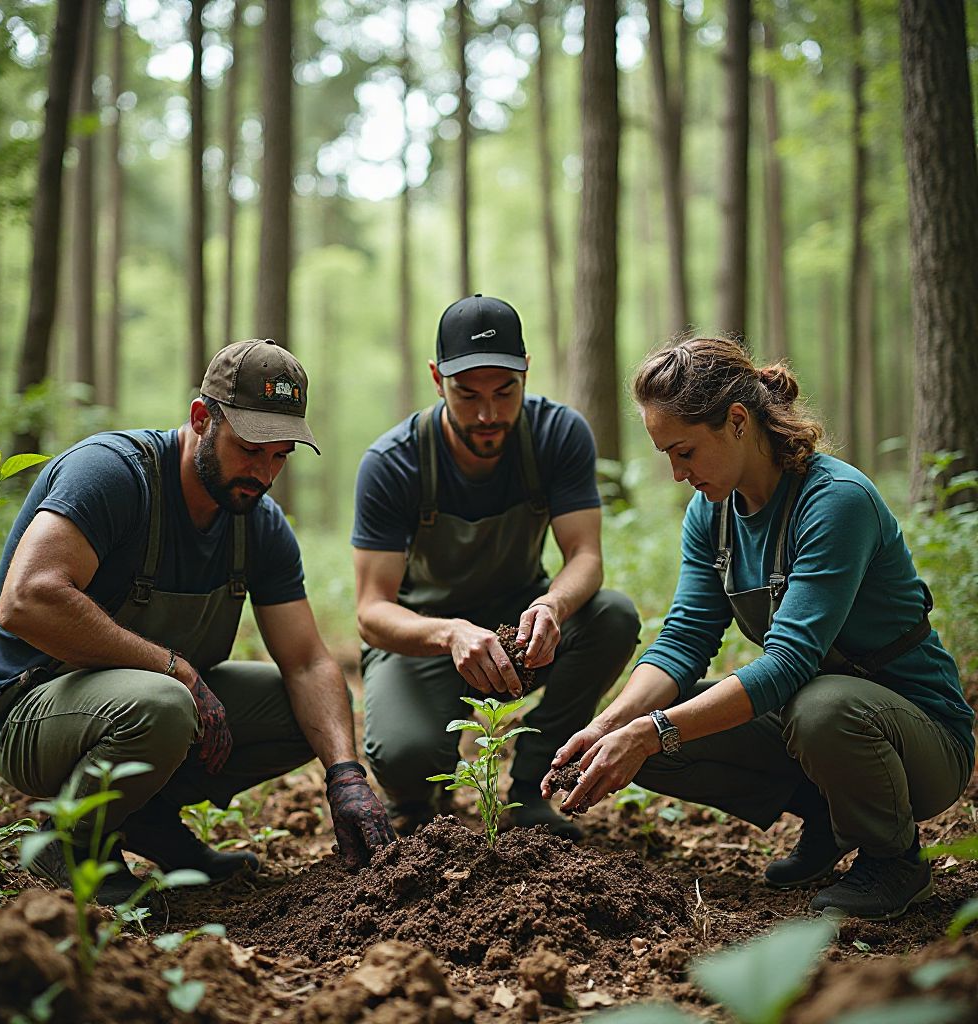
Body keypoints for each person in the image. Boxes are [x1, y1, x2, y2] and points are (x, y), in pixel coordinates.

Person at [545, 336, 975, 920]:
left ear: (738, 422)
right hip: (813, 719)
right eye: (666, 456)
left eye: (685, 452)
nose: (676, 473)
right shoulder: (712, 514)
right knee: (647, 741)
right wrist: (612, 725)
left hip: (920, 736)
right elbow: (683, 639)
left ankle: (895, 859)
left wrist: (650, 729)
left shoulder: (834, 501)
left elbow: (791, 663)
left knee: (820, 707)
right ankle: (831, 818)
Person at [0, 339, 394, 904]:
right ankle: (72, 842)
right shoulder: (114, 475)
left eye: (280, 456)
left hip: (150, 705)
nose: (264, 473)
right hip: (36, 709)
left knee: (310, 711)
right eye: (250, 449)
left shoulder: (258, 523)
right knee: (165, 703)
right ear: (202, 418)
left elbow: (308, 662)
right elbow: (25, 600)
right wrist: (174, 668)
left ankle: (146, 819)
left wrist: (346, 776)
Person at [352, 294, 641, 839]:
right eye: (468, 394)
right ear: (437, 380)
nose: (488, 414)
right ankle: (424, 794)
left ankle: (533, 786)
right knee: (405, 758)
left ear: (527, 371)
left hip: (521, 625)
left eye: (505, 392)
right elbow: (371, 612)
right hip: (425, 636)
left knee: (613, 617)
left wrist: (552, 605)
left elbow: (585, 555)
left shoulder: (558, 435)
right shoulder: (394, 464)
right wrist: (451, 634)